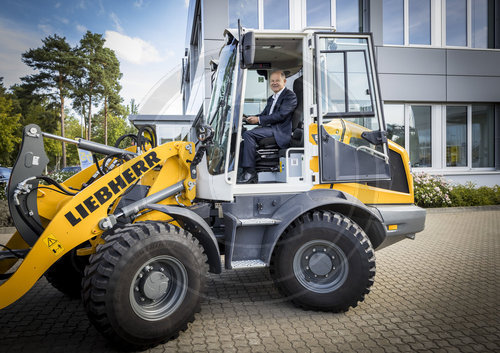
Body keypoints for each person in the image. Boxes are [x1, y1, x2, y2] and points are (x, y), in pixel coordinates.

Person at [238, 70, 297, 184]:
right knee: (242, 139)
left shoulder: (290, 96)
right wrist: (249, 118)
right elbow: (265, 115)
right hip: (270, 129)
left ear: (284, 81)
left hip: (280, 131)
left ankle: (250, 172)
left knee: (248, 134)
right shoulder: (272, 98)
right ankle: (242, 170)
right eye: (272, 81)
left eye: (277, 81)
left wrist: (259, 120)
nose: (274, 83)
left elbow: (281, 115)